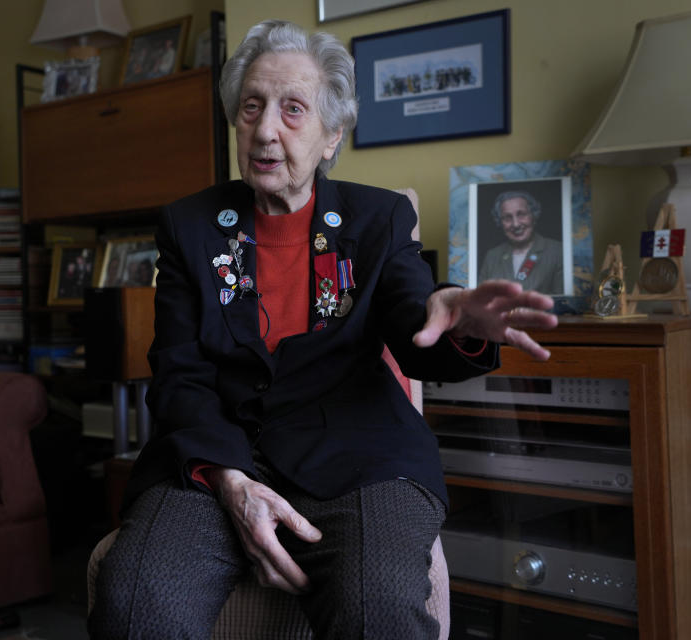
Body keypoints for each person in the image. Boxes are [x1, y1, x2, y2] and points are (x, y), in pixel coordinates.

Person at [89, 20, 557, 640]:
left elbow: (411, 311)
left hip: (357, 459)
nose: (264, 129)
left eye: (292, 109)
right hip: (217, 456)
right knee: (136, 610)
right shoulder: (190, 226)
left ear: (332, 134)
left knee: (379, 615)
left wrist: (457, 317)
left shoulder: (377, 218)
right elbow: (180, 370)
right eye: (251, 107)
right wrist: (231, 482)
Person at [478, 190, 564, 294]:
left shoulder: (557, 251)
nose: (516, 224)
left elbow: (562, 302)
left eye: (521, 214)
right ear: (500, 222)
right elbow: (481, 299)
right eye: (507, 218)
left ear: (533, 215)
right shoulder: (492, 256)